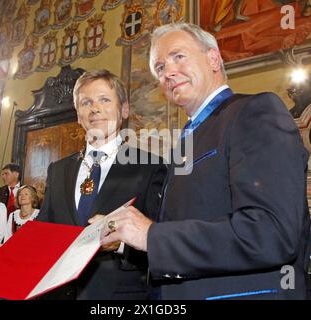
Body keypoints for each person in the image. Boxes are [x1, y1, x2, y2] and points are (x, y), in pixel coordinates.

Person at [100, 23, 311, 300]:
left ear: (213, 58)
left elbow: (271, 233)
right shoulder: (186, 141)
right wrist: (124, 239)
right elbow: (191, 228)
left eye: (178, 56)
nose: (169, 72)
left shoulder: (255, 111)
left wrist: (151, 235)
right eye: (160, 68)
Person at [38, 69, 166, 299]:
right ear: (78, 115)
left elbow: (164, 240)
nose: (95, 108)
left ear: (124, 110)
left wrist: (120, 244)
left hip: (118, 295)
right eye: (86, 102)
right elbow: (43, 233)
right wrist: (14, 255)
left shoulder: (150, 167)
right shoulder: (58, 170)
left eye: (104, 100)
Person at [0, 185, 40, 255]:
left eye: (26, 194)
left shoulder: (38, 214)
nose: (22, 196)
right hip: (13, 252)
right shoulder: (13, 215)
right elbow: (8, 237)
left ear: (33, 197)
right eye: (20, 194)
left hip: (31, 252)